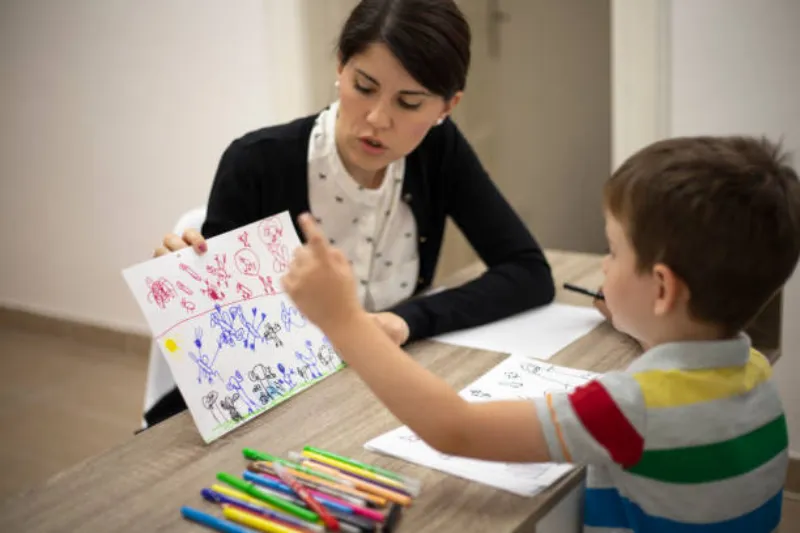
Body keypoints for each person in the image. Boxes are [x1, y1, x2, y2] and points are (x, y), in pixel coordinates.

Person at [282, 135, 800, 531]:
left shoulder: (628, 409)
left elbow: (454, 429)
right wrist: (640, 318)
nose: (605, 267)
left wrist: (345, 322)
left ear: (662, 290)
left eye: (613, 253)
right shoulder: (752, 372)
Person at [145, 0, 556, 427]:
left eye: (409, 103)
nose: (378, 119)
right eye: (364, 86)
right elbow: (224, 358)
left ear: (447, 107)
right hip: (272, 409)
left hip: (371, 398)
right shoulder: (256, 163)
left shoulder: (438, 150)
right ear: (341, 67)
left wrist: (404, 322)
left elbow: (528, 272)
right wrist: (191, 290)